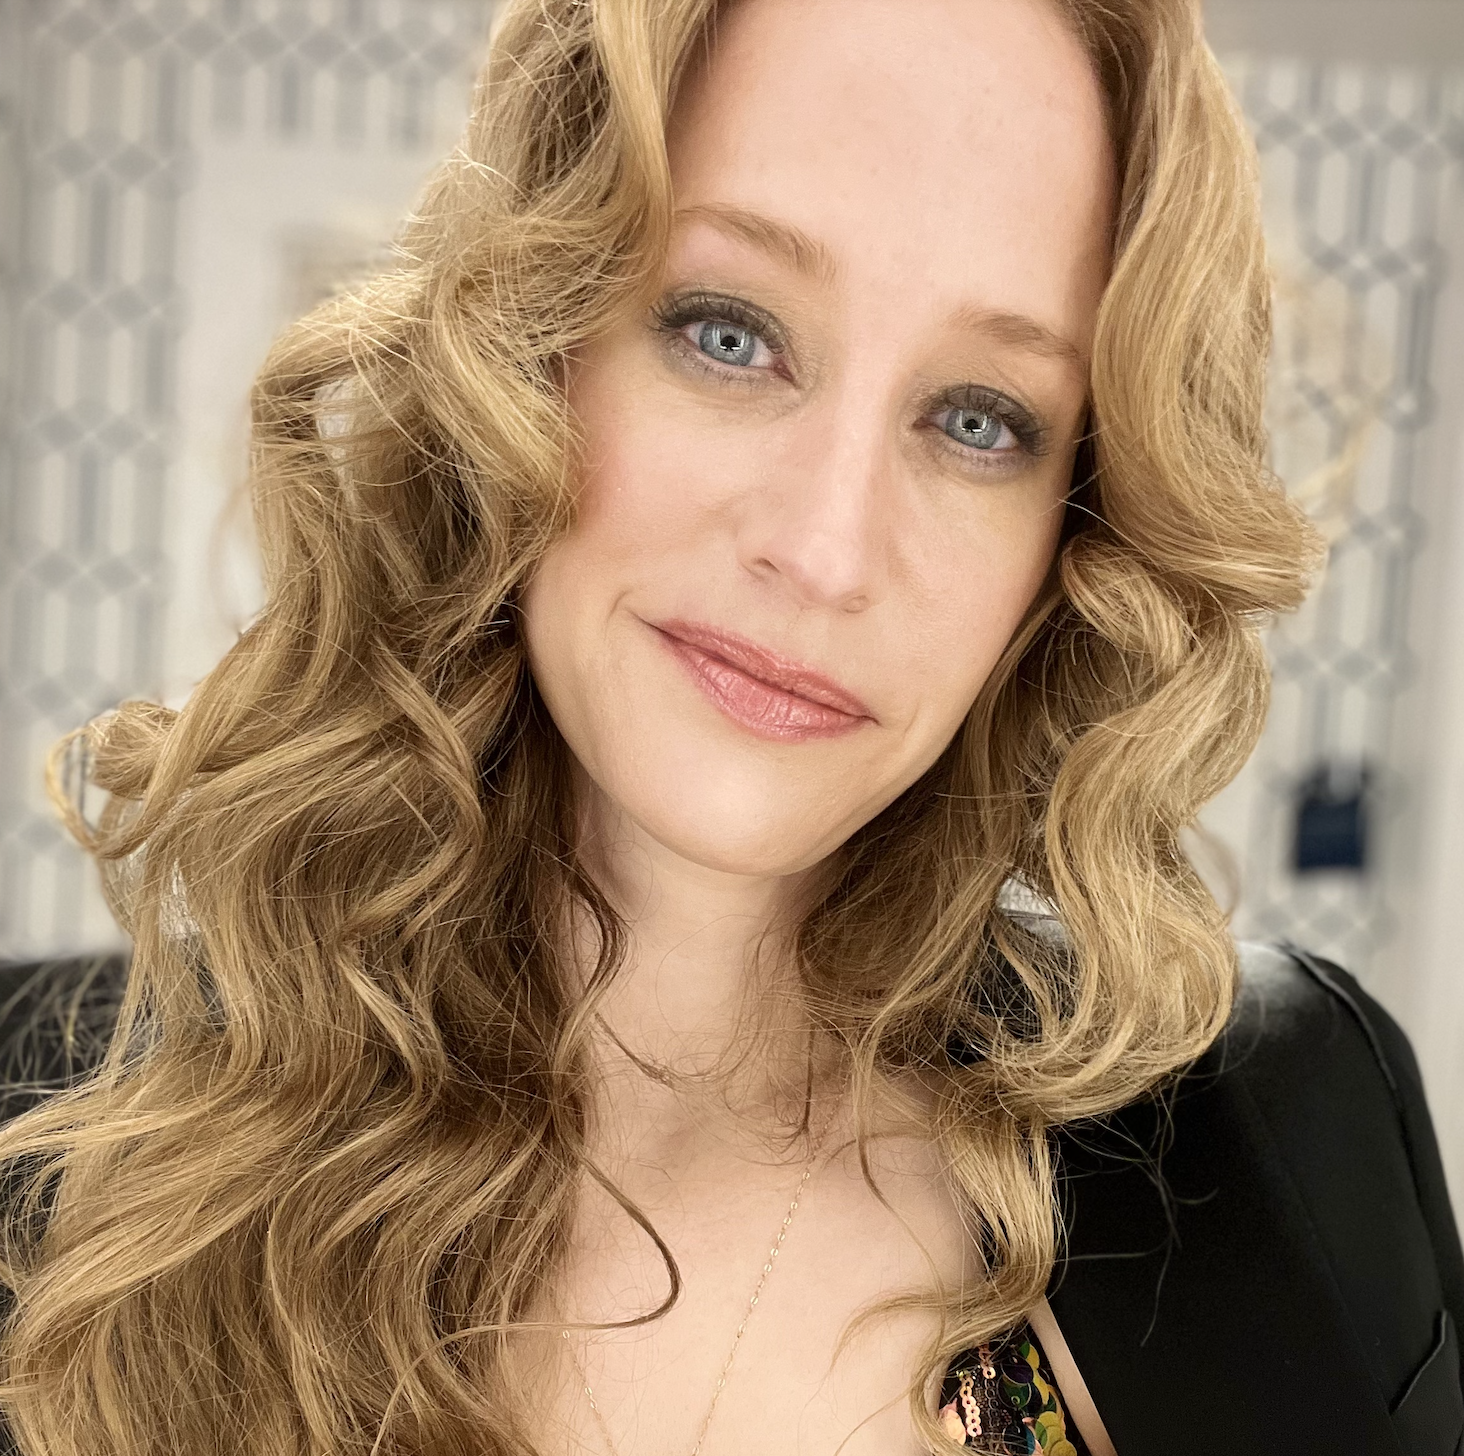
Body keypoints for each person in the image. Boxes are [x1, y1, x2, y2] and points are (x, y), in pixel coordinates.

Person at [0, 0, 1459, 1453]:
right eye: (728, 331)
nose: (827, 551)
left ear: (1073, 539)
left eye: (979, 420)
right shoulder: (57, 1168)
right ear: (526, 351)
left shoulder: (1273, 1154)